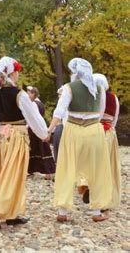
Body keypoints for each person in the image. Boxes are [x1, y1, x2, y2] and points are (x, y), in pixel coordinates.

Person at [0, 56, 48, 230]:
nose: (17, 75)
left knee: (4, 174)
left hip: (1, 137)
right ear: (10, 74)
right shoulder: (19, 95)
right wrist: (43, 133)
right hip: (17, 136)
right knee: (14, 175)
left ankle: (11, 214)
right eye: (16, 72)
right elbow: (33, 117)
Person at [47, 58, 112, 223]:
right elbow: (100, 112)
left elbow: (60, 111)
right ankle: (96, 210)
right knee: (97, 170)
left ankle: (63, 210)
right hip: (94, 131)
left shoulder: (69, 88)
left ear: (75, 72)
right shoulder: (99, 89)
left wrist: (50, 129)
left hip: (74, 130)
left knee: (68, 168)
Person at [92, 73, 121, 211]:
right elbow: (115, 118)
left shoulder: (93, 96)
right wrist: (111, 128)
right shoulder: (114, 97)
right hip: (109, 131)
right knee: (109, 165)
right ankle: (107, 197)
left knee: (94, 163)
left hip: (94, 130)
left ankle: (92, 190)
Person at [26, 86, 56, 179]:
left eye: (29, 93)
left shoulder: (34, 104)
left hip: (35, 129)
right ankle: (33, 170)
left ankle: (48, 172)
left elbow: (36, 118)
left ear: (33, 94)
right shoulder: (41, 104)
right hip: (38, 128)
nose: (27, 95)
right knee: (40, 149)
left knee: (40, 149)